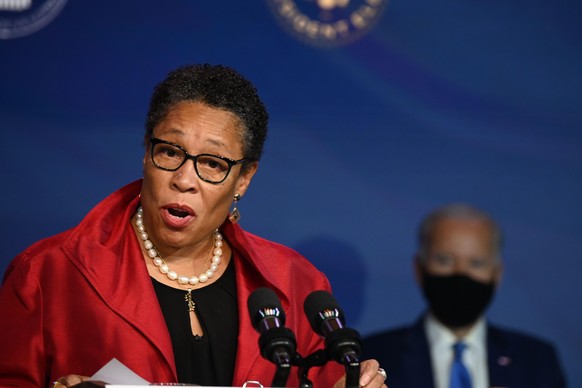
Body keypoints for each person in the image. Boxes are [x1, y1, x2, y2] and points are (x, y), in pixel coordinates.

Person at [0, 64, 387, 388]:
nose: (185, 179)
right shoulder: (47, 274)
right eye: (170, 152)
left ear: (244, 179)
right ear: (146, 155)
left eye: (213, 164)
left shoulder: (295, 284)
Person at [362, 203, 566, 388]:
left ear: (497, 274)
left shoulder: (537, 360)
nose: (460, 274)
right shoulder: (374, 356)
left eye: (476, 263)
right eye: (445, 260)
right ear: (419, 268)